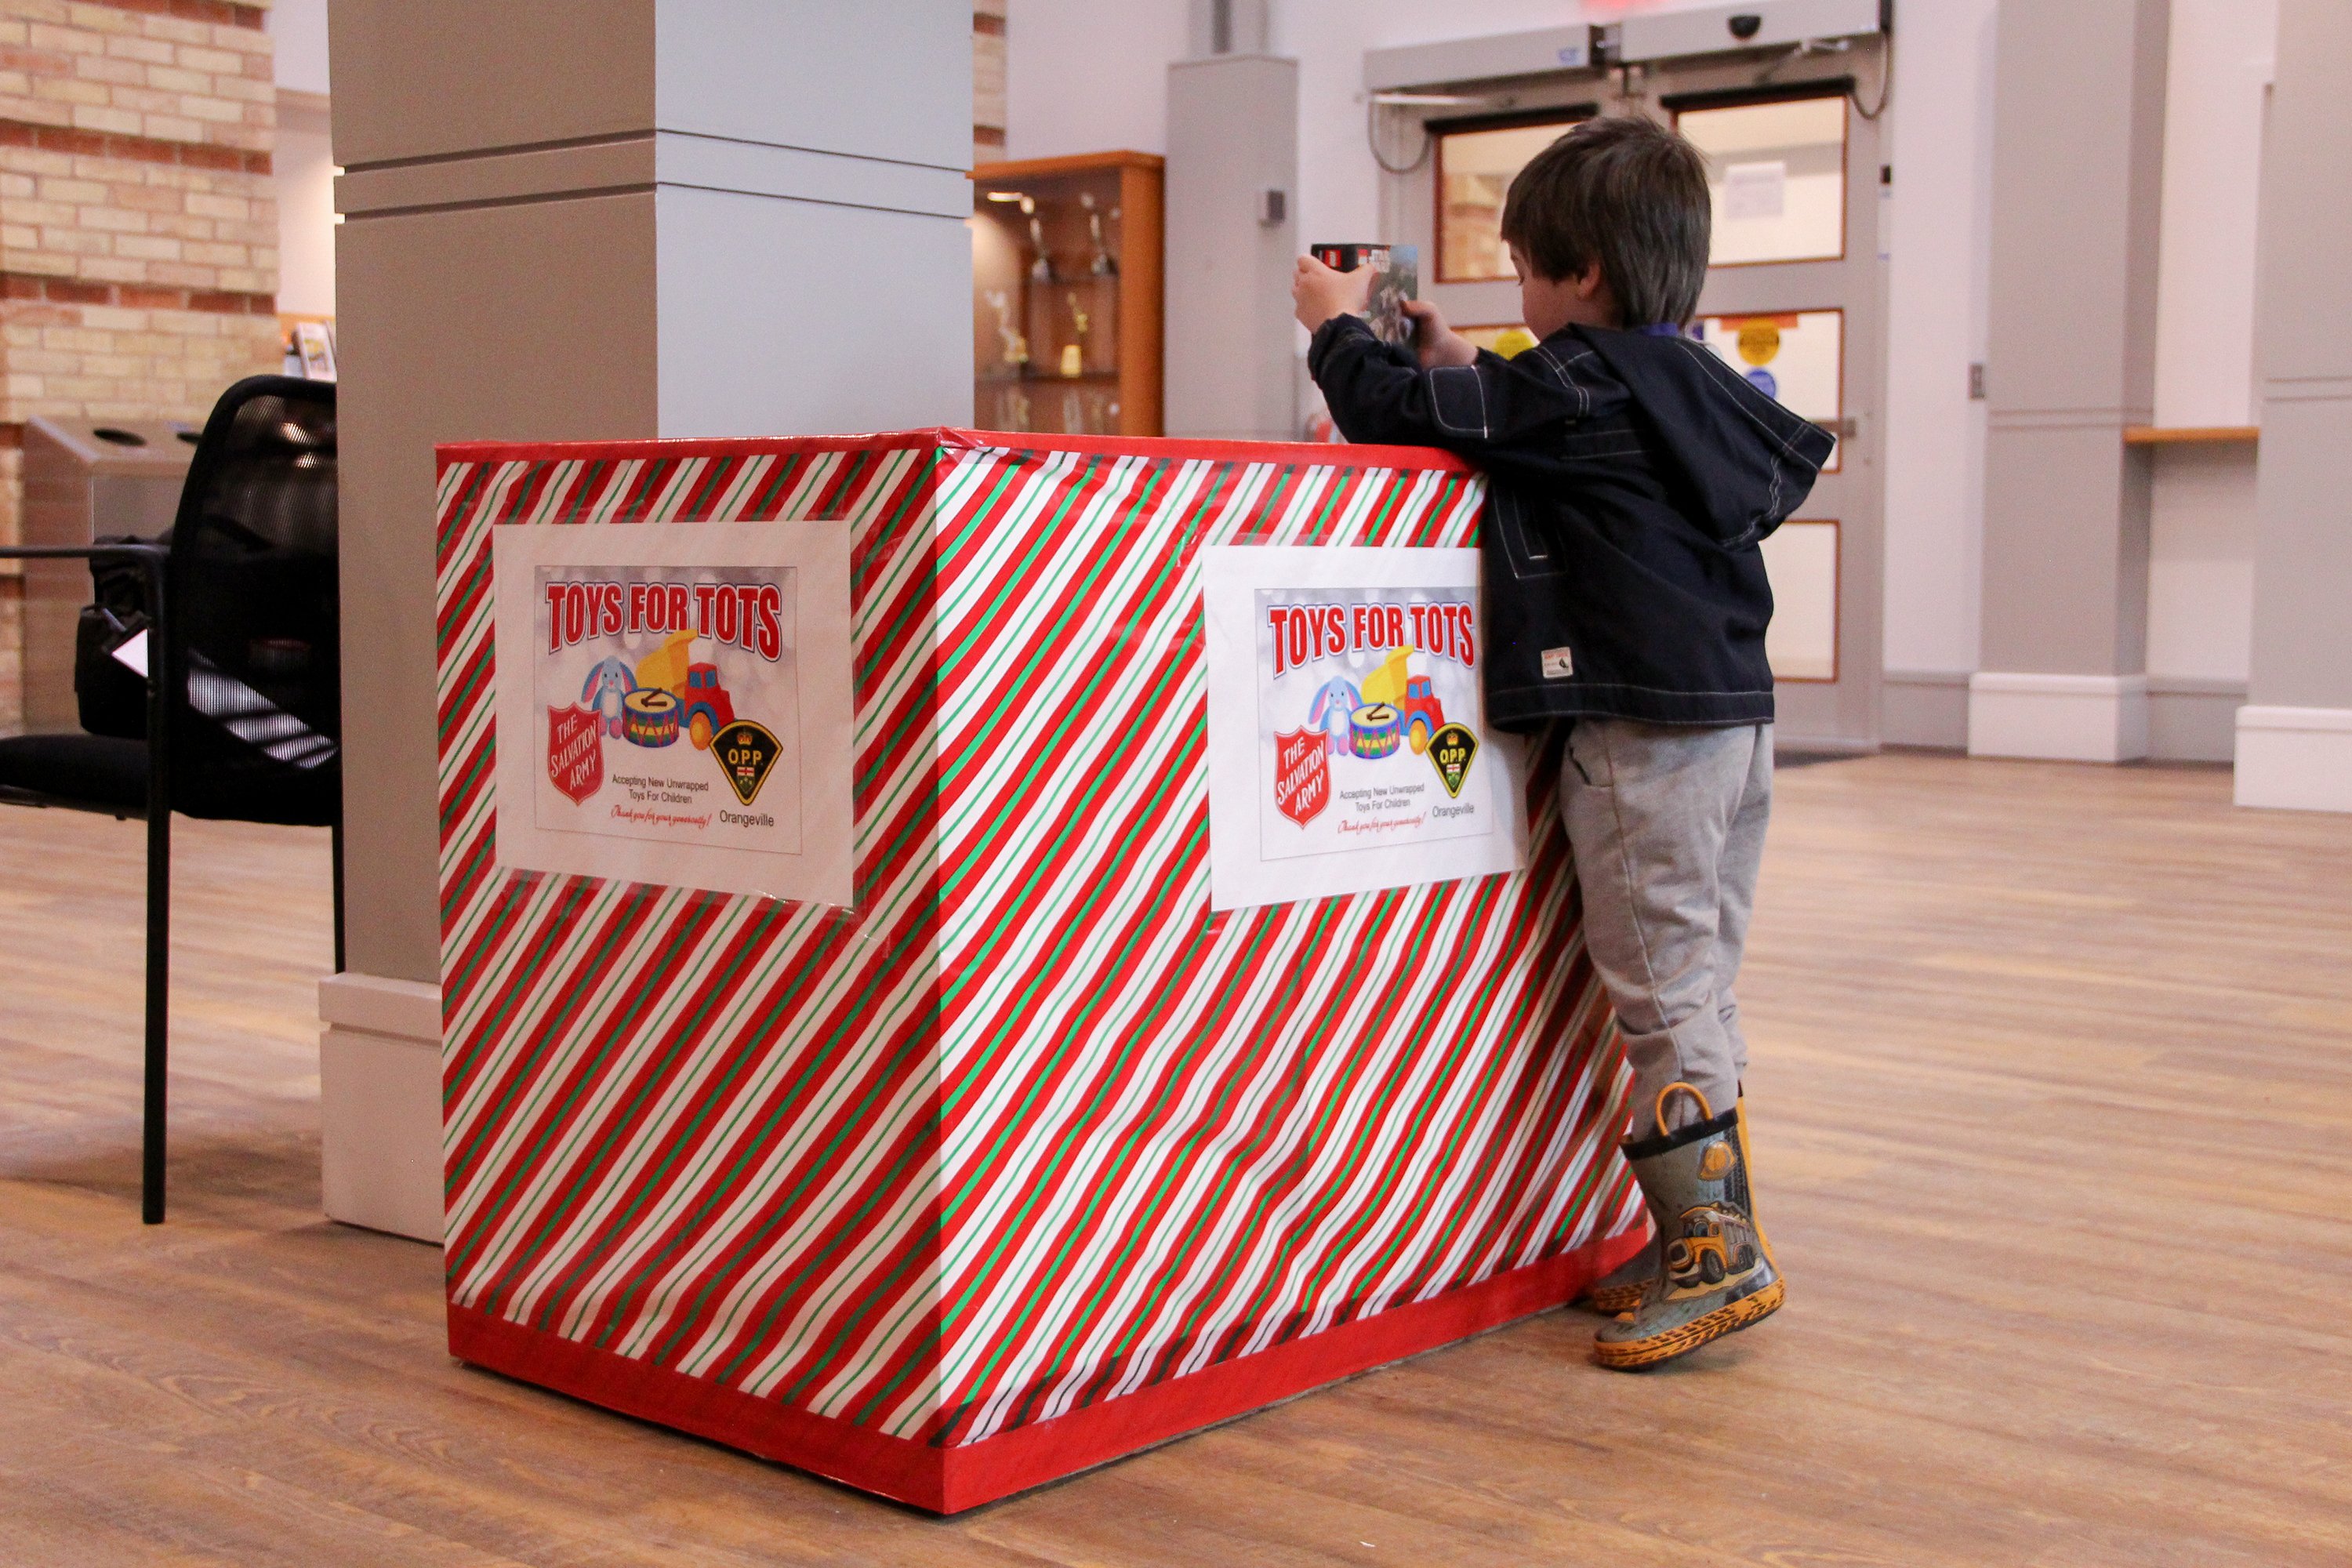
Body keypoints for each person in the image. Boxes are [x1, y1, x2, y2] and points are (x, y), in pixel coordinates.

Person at [1293, 115, 1832, 1370]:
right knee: (1699, 983)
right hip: (1733, 728)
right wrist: (1463, 352)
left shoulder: (1569, 389)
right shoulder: (1685, 383)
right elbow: (1540, 405)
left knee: (1660, 990)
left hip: (1637, 735)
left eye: (1530, 269)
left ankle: (1717, 1255)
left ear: (1581, 276)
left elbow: (1388, 409)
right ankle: (1702, 1232)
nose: (1522, 295)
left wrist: (1334, 318)